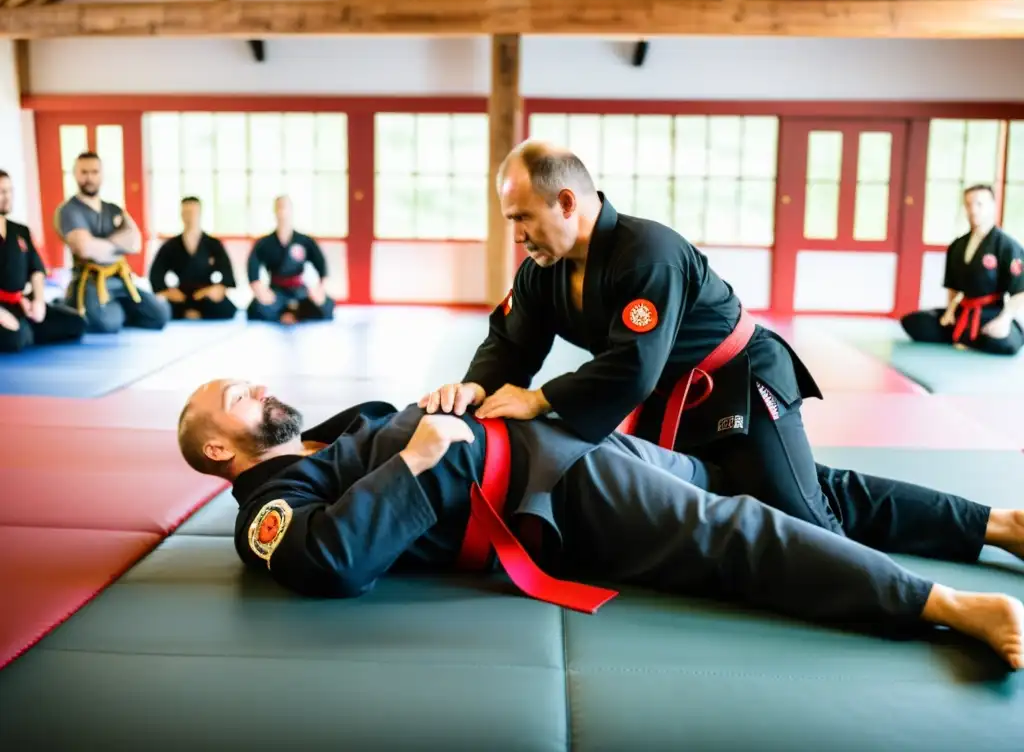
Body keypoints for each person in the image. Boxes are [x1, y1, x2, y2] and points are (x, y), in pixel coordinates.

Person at [176, 378, 1024, 670]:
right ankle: (948, 604)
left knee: (795, 484)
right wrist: (418, 457)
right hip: (560, 499)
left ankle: (994, 525)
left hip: (571, 445)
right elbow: (329, 564)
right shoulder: (268, 511)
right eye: (235, 397)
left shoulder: (327, 434)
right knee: (738, 531)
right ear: (219, 447)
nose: (256, 387)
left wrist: (452, 400)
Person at [422, 140, 959, 540]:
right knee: (723, 496)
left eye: (522, 218)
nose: (516, 236)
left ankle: (916, 584)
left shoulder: (647, 253)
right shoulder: (543, 269)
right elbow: (512, 343)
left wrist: (540, 399)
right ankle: (993, 525)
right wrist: (474, 389)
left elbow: (632, 366)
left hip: (742, 384)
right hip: (667, 397)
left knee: (802, 522)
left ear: (566, 202)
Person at [901, 184, 1024, 355]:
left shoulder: (1007, 246)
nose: (973, 210)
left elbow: (1020, 291)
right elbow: (953, 287)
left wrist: (1005, 319)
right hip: (963, 310)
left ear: (992, 206)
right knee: (913, 323)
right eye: (969, 204)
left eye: (980, 204)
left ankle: (973, 335)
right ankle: (967, 335)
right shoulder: (957, 245)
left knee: (1004, 343)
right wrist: (950, 312)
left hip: (991, 313)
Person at [57, 151, 171, 334]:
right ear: (76, 175)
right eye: (84, 172)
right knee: (107, 324)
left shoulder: (113, 209)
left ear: (101, 174)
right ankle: (67, 303)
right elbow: (85, 248)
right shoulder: (69, 210)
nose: (89, 178)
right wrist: (118, 245)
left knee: (160, 315)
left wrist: (100, 245)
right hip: (90, 282)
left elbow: (135, 243)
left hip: (119, 279)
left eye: (94, 172)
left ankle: (119, 308)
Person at [0, 170, 85, 352]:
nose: (7, 197)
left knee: (76, 323)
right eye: (1, 192)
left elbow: (36, 269)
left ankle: (27, 330)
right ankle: (24, 332)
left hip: (22, 303)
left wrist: (38, 301)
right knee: (13, 338)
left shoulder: (20, 230)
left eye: (9, 191)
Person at [246, 196, 334, 324]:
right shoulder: (264, 243)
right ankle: (286, 314)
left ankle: (293, 314)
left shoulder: (304, 241)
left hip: (299, 291)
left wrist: (319, 289)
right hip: (276, 292)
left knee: (325, 307)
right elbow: (252, 267)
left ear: (292, 211)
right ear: (275, 211)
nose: (283, 212)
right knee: (256, 309)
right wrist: (260, 290)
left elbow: (322, 265)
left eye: (285, 207)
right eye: (279, 208)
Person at [149, 196, 238, 321]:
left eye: (193, 212)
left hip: (205, 293)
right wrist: (167, 292)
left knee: (227, 309)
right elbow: (156, 274)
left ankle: (195, 313)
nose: (189, 217)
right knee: (159, 310)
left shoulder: (213, 244)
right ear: (181, 214)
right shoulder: (171, 246)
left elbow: (227, 274)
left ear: (200, 214)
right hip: (181, 295)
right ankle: (188, 313)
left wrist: (218, 289)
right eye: (186, 212)